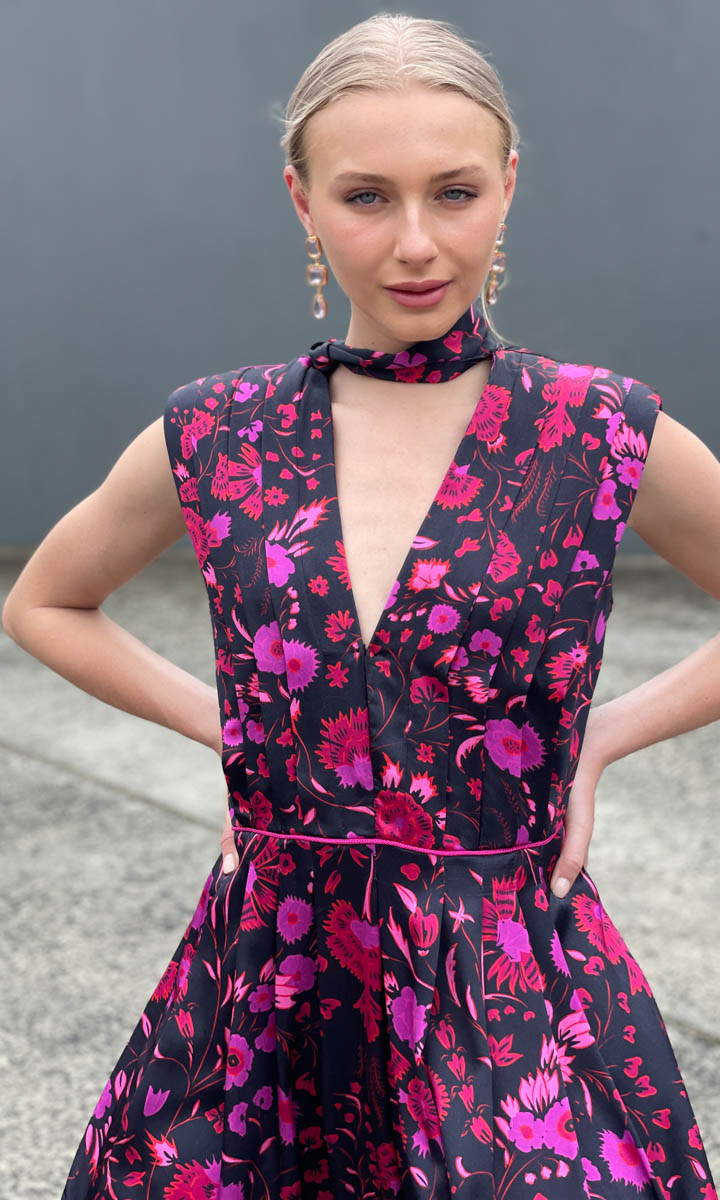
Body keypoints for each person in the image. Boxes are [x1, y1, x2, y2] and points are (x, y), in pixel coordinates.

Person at [3, 11, 718, 1199]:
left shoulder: (595, 428)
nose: (415, 244)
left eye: (455, 192)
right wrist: (241, 737)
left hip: (505, 1004)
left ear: (509, 184)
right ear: (302, 199)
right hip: (267, 997)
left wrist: (599, 741)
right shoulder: (220, 433)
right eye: (366, 198)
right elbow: (46, 603)